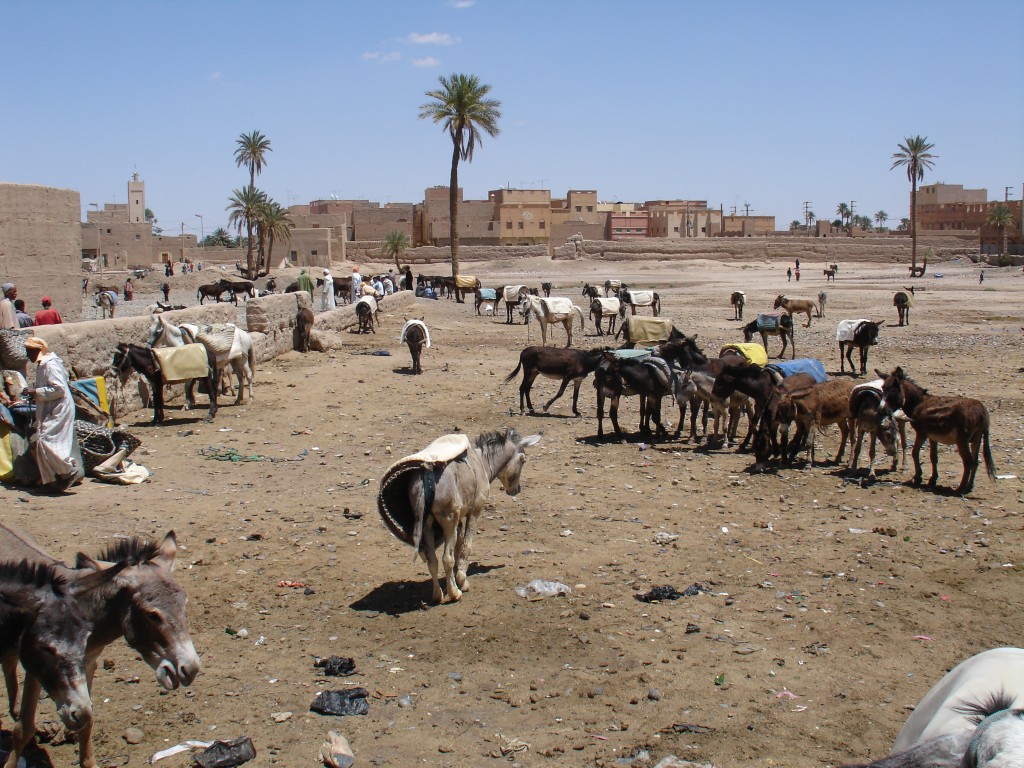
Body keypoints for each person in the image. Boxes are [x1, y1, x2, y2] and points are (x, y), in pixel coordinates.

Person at [22, 337, 80, 491]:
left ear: (37, 351)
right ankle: (56, 478)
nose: (27, 355)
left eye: (29, 351)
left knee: (45, 439)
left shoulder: (50, 364)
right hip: (52, 407)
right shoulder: (42, 365)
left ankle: (68, 470)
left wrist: (36, 391)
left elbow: (59, 389)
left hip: (59, 408)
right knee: (45, 440)